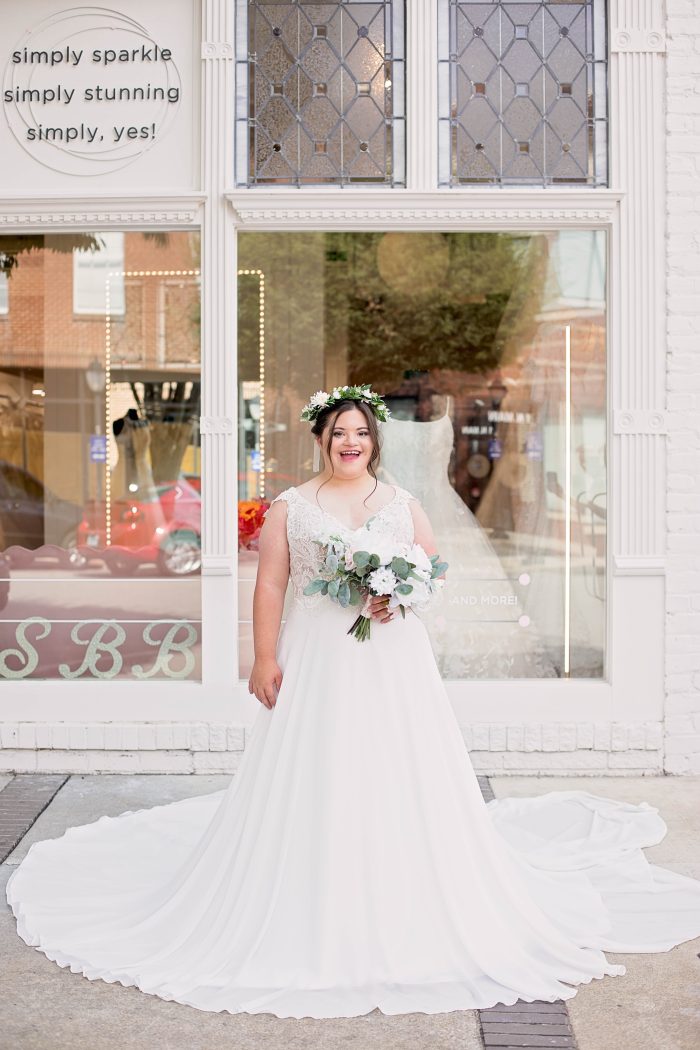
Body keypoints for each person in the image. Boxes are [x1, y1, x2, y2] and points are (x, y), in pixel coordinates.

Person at [6, 385, 700, 1020]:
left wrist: (398, 597)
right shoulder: (292, 506)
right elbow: (271, 585)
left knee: (396, 771)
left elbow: (428, 572)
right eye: (339, 433)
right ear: (321, 439)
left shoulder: (401, 507)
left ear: (374, 442)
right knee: (317, 769)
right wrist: (266, 656)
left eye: (360, 434)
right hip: (315, 656)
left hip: (391, 664)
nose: (350, 444)